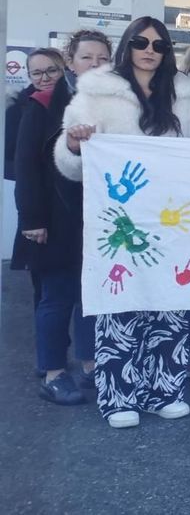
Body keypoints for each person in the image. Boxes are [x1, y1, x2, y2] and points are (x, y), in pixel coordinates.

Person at [56, 16, 190, 428]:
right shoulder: (95, 95)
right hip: (120, 225)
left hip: (172, 223)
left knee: (169, 306)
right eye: (141, 42)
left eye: (159, 45)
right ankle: (118, 396)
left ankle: (164, 389)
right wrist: (74, 143)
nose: (150, 50)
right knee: (120, 307)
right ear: (127, 45)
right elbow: (72, 166)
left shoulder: (187, 101)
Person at [14, 32, 110, 405]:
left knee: (90, 298)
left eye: (103, 58)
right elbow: (27, 166)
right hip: (55, 217)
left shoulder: (112, 103)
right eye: (88, 57)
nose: (96, 64)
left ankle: (89, 364)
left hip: (97, 218)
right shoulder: (43, 104)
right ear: (71, 61)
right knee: (56, 297)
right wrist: (31, 218)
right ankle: (53, 373)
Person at [7, 48, 65, 181]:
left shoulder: (77, 104)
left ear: (63, 71)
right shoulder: (15, 108)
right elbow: (7, 158)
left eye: (52, 71)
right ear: (29, 76)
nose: (45, 78)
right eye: (37, 73)